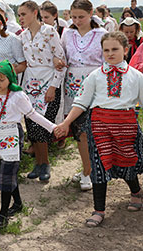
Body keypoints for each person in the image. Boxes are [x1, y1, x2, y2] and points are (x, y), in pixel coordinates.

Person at [55, 31, 143, 227]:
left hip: (126, 128)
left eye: (115, 49)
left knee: (127, 163)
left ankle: (136, 192)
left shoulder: (137, 77)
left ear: (126, 50)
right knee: (99, 167)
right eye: (106, 50)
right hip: (99, 127)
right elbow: (81, 102)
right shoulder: (95, 76)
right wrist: (66, 122)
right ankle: (98, 210)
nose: (110, 54)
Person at [0, 60, 58, 228]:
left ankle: (3, 214)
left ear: (10, 79)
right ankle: (18, 203)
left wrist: (52, 127)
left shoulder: (17, 96)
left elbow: (33, 115)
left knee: (7, 174)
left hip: (12, 135)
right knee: (6, 173)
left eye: (1, 79)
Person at [60, 0, 107, 190]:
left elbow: (107, 59)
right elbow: (62, 56)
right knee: (80, 131)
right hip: (73, 85)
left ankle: (94, 169)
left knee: (94, 130)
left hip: (95, 83)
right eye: (74, 17)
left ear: (91, 14)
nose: (77, 21)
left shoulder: (101, 33)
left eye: (81, 16)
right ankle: (87, 169)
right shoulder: (67, 33)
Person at [18, 0, 66, 181]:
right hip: (30, 85)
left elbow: (60, 61)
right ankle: (37, 164)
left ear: (35, 12)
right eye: (19, 15)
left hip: (49, 83)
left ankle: (45, 163)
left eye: (23, 14)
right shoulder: (23, 36)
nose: (20, 18)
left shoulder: (49, 32)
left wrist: (53, 86)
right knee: (31, 124)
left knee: (42, 125)